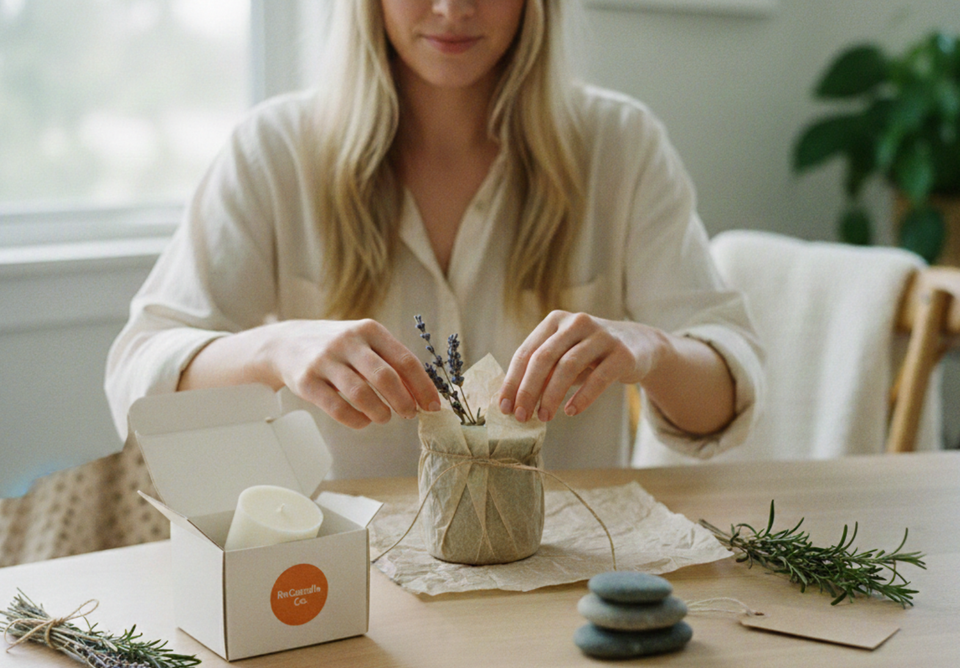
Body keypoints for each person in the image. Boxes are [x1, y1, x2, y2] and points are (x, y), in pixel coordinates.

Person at [105, 0, 764, 478]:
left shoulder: (621, 146)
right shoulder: (274, 149)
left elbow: (723, 406)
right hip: (341, 585)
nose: (453, 9)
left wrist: (651, 350)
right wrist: (275, 348)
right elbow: (138, 379)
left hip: (561, 584)